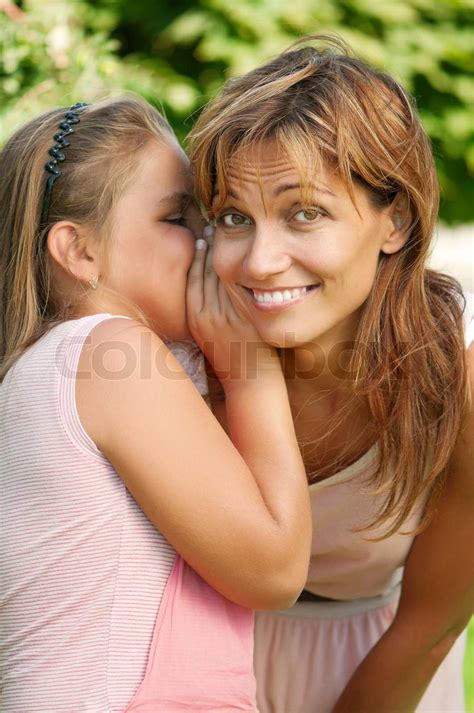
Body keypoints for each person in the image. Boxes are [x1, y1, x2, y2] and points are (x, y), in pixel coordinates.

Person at [189, 35, 474, 713]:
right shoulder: (183, 361)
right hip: (202, 663)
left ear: (395, 219)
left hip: (382, 668)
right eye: (234, 216)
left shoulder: (454, 390)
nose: (259, 262)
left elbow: (429, 625)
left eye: (304, 213)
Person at [0, 96, 312, 711]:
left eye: (210, 216)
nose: (210, 243)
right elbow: (274, 571)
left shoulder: (53, 364)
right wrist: (251, 368)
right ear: (79, 252)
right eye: (177, 218)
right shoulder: (111, 353)